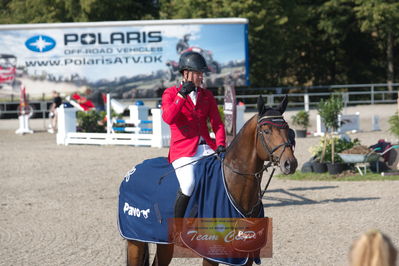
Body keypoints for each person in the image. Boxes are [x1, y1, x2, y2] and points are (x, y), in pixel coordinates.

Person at [161, 51, 226, 218]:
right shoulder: (170, 93)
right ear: (185, 73)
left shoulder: (207, 95)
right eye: (198, 73)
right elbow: (168, 118)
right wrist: (181, 95)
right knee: (189, 184)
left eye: (202, 73)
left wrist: (220, 144)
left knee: (227, 177)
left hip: (207, 147)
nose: (201, 77)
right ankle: (177, 227)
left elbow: (217, 123)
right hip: (183, 150)